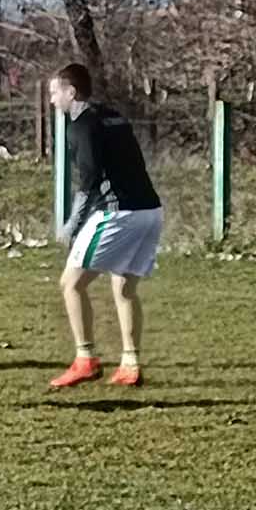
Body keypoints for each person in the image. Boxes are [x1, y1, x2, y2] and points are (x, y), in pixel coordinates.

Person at [46, 62, 164, 390]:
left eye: (54, 93)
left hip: (118, 213)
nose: (52, 100)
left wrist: (73, 223)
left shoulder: (81, 125)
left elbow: (89, 179)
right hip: (150, 210)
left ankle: (85, 359)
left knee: (71, 284)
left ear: (71, 92)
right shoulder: (114, 116)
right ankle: (130, 363)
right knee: (124, 287)